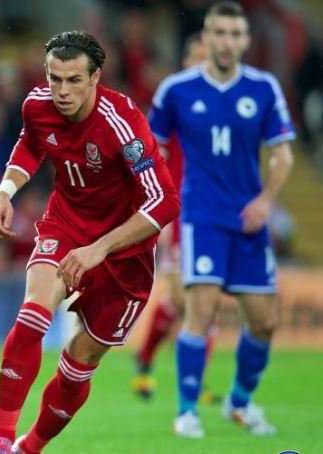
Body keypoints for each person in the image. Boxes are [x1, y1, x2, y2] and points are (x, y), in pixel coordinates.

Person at [0, 31, 180, 454]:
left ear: (95, 78)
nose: (62, 91)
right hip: (66, 224)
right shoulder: (37, 105)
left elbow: (165, 201)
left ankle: (28, 448)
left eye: (74, 80)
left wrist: (99, 249)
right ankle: (0, 439)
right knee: (32, 315)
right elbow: (30, 143)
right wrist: (4, 191)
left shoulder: (122, 124)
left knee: (78, 365)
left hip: (125, 253)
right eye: (54, 79)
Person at [149, 1, 295, 438]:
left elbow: (283, 154)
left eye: (235, 34)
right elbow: (151, 149)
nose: (227, 42)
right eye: (219, 33)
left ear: (246, 40)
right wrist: (158, 205)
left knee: (264, 322)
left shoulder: (263, 88)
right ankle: (187, 412)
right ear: (206, 37)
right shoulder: (176, 90)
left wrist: (266, 201)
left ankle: (240, 401)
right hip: (202, 216)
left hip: (249, 219)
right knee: (201, 310)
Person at [131, 33, 219, 401]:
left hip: (213, 214)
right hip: (179, 214)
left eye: (208, 58)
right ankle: (149, 359)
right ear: (186, 61)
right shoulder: (174, 102)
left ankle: (184, 378)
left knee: (206, 302)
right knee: (186, 301)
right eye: (197, 56)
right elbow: (150, 155)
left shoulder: (223, 105)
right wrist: (154, 207)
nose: (203, 64)